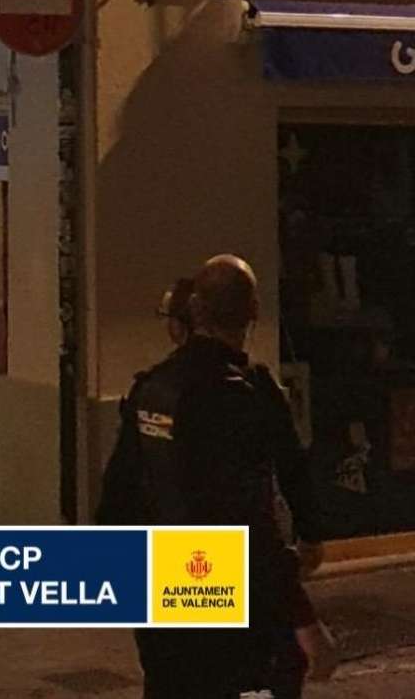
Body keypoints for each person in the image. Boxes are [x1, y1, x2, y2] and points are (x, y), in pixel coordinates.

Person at [98, 255, 336, 699]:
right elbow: (250, 519)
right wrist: (302, 616)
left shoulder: (152, 389)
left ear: (194, 310)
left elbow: (115, 504)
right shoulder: (245, 395)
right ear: (254, 311)